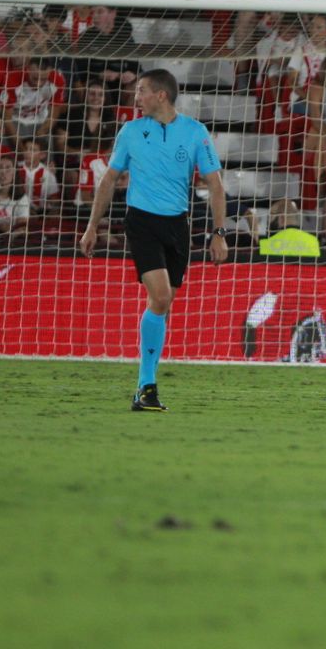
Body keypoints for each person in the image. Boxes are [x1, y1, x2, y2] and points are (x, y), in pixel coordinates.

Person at [77, 69, 228, 413]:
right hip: (141, 220)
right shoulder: (130, 131)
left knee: (163, 303)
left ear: (161, 95)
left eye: (141, 91)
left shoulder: (194, 133)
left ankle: (146, 385)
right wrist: (92, 227)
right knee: (159, 296)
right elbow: (109, 180)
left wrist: (219, 233)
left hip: (178, 225)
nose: (136, 96)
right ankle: (146, 386)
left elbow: (215, 186)